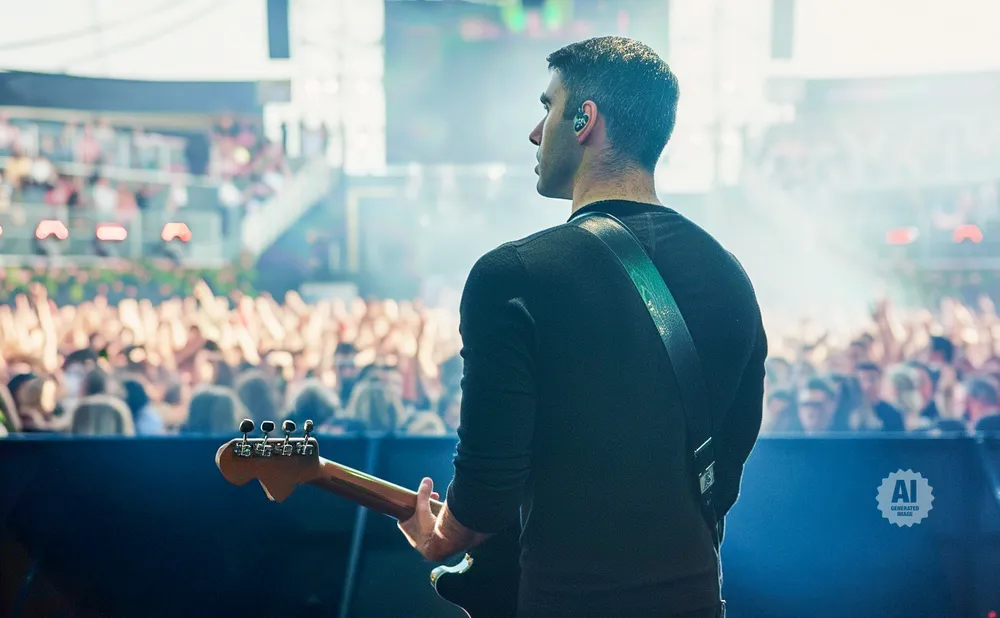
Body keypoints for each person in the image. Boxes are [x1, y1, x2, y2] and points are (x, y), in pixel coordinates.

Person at [397, 37, 765, 617]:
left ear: (584, 119)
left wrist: (442, 537)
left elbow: (487, 493)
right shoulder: (730, 276)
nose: (536, 132)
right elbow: (730, 464)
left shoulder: (513, 276)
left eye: (547, 108)